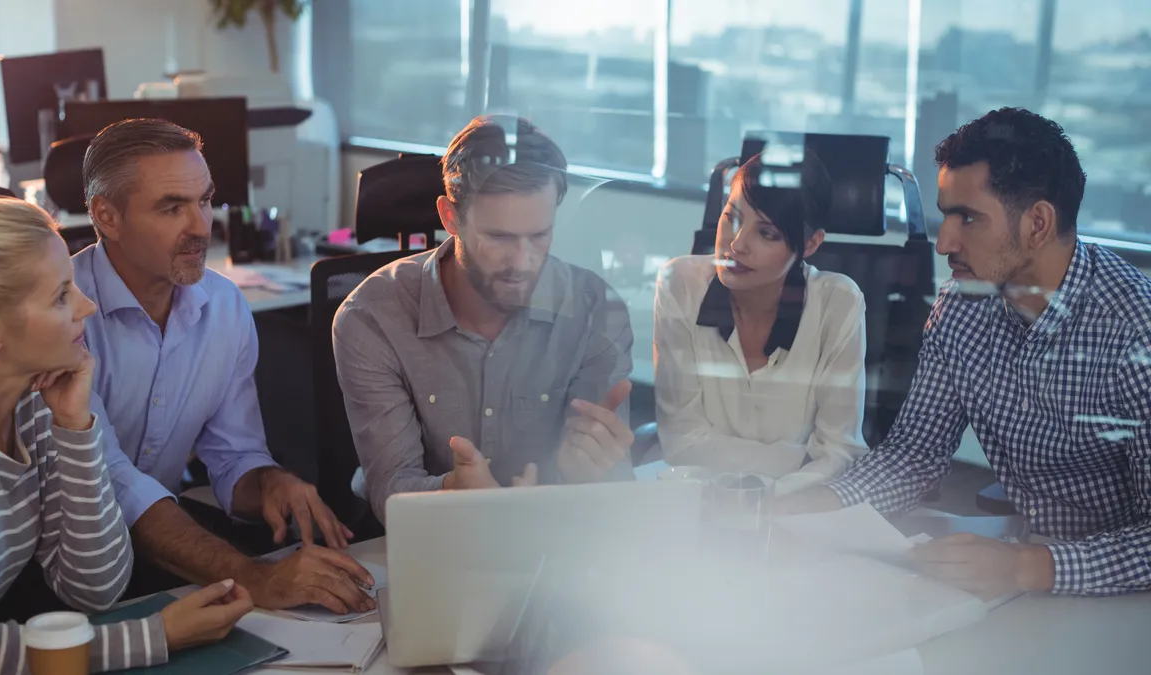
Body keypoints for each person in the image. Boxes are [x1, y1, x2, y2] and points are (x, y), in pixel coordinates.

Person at [783, 107, 1151, 597]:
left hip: (1121, 590)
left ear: (1038, 223)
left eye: (968, 218)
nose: (944, 242)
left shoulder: (1134, 331)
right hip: (1024, 562)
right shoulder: (961, 307)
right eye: (945, 214)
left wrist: (1031, 568)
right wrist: (821, 505)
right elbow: (914, 454)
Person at [74, 118, 375, 613]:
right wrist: (253, 578)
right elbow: (111, 484)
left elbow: (234, 455)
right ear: (106, 216)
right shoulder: (62, 313)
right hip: (65, 554)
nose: (200, 227)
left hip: (153, 533)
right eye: (172, 207)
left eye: (205, 200)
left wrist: (270, 482)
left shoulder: (224, 305)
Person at [0, 197, 253, 673]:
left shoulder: (33, 402)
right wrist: (156, 636)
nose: (87, 306)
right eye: (60, 297)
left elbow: (93, 586)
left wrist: (75, 428)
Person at [335, 115, 635, 522]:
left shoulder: (595, 309)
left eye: (539, 235)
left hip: (549, 533)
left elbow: (610, 495)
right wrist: (455, 493)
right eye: (499, 237)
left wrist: (593, 472)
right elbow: (392, 489)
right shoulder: (372, 317)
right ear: (450, 217)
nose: (522, 262)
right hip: (429, 540)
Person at [652, 152, 867, 493]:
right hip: (698, 500)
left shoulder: (838, 303)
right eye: (732, 218)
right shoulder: (680, 283)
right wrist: (798, 460)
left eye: (767, 233)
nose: (737, 245)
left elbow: (839, 453)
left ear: (810, 244)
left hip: (795, 509)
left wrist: (767, 503)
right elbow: (681, 443)